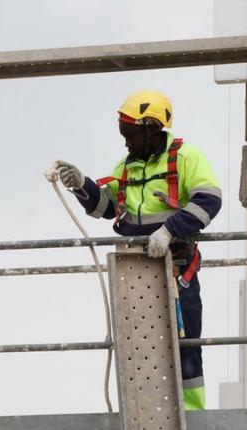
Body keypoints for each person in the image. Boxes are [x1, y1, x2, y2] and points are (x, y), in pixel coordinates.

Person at [46, 89, 222, 411]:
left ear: (152, 128)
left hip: (175, 271)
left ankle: (194, 417)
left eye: (130, 134)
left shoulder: (184, 158)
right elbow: (106, 208)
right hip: (134, 273)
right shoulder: (126, 168)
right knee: (138, 349)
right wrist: (81, 185)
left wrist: (169, 231)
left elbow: (209, 201)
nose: (126, 142)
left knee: (185, 347)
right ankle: (145, 413)